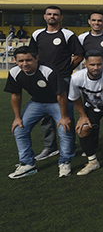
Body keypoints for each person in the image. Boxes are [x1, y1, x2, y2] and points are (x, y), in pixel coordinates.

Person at [5, 46, 74, 178]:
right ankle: (27, 164)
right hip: (36, 102)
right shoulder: (14, 72)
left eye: (28, 60)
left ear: (36, 58)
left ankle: (65, 161)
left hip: (56, 102)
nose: (25, 64)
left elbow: (61, 95)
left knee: (64, 129)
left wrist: (64, 116)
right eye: (20, 61)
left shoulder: (49, 71)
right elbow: (15, 95)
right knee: (20, 129)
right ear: (15, 60)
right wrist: (17, 117)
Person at [30, 6, 84, 161]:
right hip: (42, 80)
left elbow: (79, 55)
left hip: (63, 79)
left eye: (55, 14)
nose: (52, 16)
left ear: (61, 18)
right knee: (45, 114)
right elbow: (32, 55)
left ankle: (70, 147)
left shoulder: (67, 34)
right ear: (45, 16)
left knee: (65, 113)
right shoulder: (37, 34)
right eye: (49, 14)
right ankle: (50, 147)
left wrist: (66, 70)